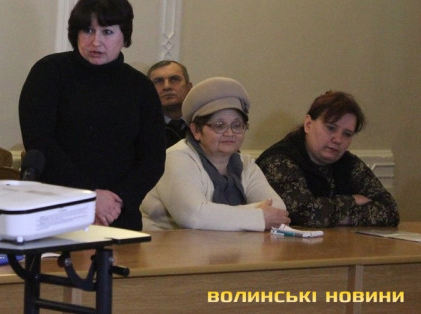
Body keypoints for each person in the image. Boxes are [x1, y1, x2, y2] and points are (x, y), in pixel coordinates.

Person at [18, 0, 166, 231]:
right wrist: (89, 196)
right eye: (88, 30)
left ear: (124, 36)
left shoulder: (140, 87)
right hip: (56, 212)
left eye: (107, 32)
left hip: (117, 216)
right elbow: (40, 142)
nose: (96, 41)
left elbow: (153, 159)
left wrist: (116, 201)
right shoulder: (49, 72)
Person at [141, 77, 289, 232]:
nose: (230, 133)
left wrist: (214, 213)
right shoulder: (176, 158)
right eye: (219, 125)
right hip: (164, 244)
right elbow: (193, 216)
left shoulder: (245, 164)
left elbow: (277, 209)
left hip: (224, 245)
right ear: (196, 130)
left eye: (237, 125)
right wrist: (259, 215)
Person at [256, 91, 399, 228]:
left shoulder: (349, 163)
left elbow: (390, 211)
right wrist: (353, 200)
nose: (338, 139)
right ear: (308, 124)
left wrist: (333, 214)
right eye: (331, 128)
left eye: (347, 134)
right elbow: (306, 213)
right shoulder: (278, 161)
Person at [147, 60, 193, 148]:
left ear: (189, 87)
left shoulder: (204, 125)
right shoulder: (141, 128)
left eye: (174, 79)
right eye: (158, 81)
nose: (167, 87)